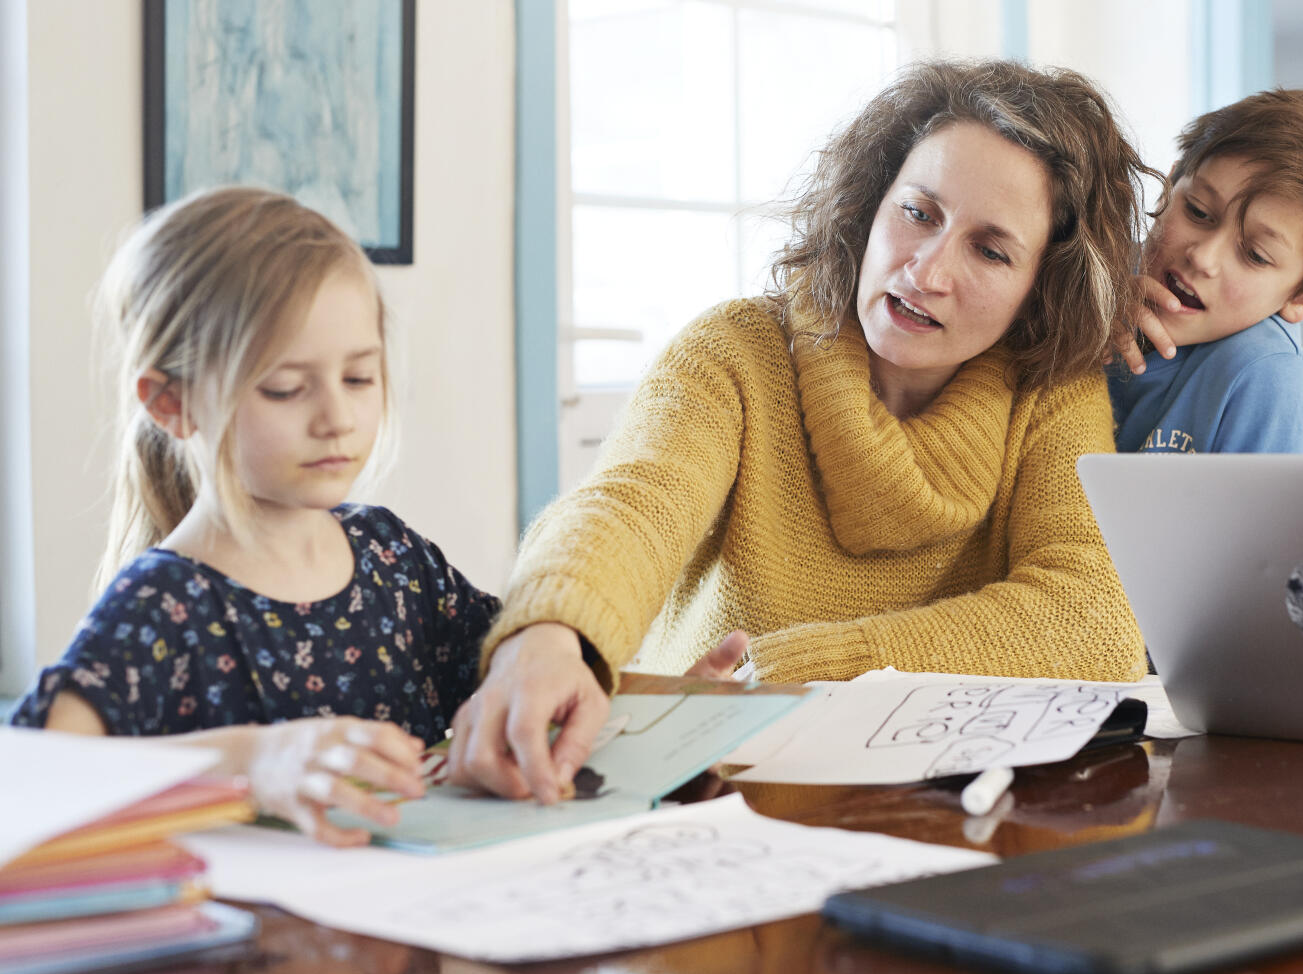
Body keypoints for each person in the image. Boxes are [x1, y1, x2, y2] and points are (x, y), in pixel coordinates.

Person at [449, 59, 1156, 804]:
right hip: (703, 795)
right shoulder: (734, 352)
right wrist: (552, 634)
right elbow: (631, 505)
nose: (926, 270)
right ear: (869, 204)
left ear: (1041, 285)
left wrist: (804, 666)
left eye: (990, 249)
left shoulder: (1051, 394)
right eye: (918, 212)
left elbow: (1090, 623)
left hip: (920, 816)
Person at [8, 187, 499, 845]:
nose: (338, 418)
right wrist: (250, 762)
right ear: (172, 403)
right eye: (285, 389)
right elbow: (25, 779)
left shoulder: (395, 558)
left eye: (359, 377)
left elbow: (516, 660)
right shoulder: (162, 605)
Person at [1107, 89, 1303, 454]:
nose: (1204, 258)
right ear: (1168, 188)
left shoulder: (1273, 382)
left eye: (1254, 255)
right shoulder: (1084, 279)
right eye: (1198, 212)